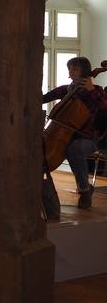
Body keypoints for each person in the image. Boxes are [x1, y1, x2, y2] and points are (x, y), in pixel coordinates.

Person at [43, 56, 107, 209]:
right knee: (64, 147)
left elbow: (105, 108)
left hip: (89, 139)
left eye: (75, 69)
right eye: (70, 69)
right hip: (64, 136)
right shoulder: (67, 89)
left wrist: (91, 91)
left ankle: (84, 192)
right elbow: (44, 98)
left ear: (84, 71)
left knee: (74, 148)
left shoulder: (97, 91)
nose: (71, 72)